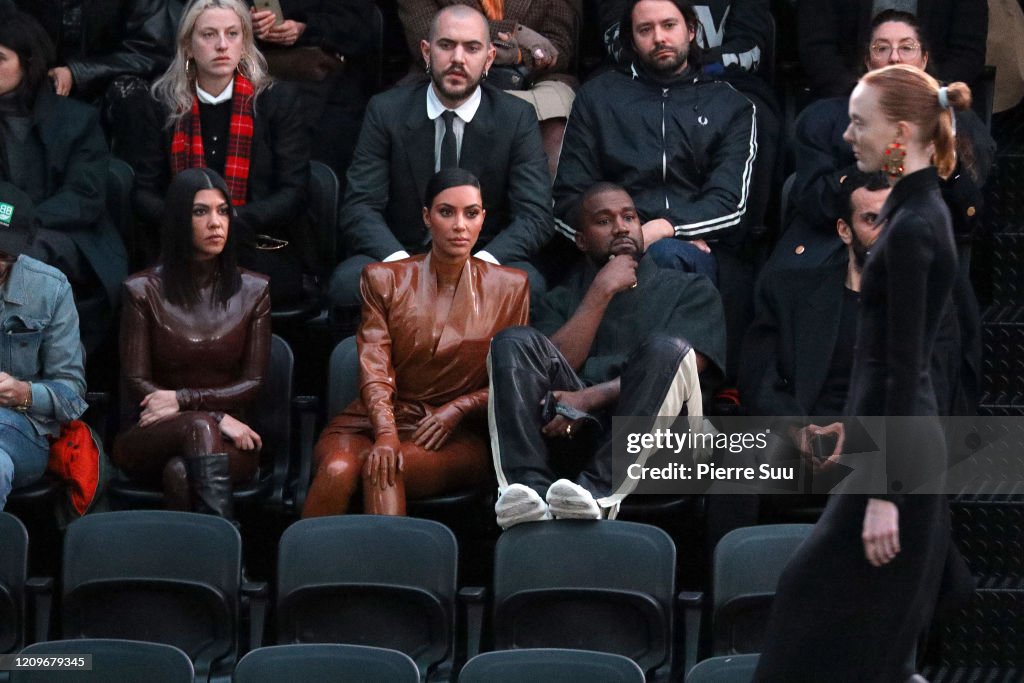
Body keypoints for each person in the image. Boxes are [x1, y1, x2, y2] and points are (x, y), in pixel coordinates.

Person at [753, 65, 970, 682]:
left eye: (859, 122)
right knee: (851, 628)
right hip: (894, 455)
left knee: (833, 618)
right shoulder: (918, 212)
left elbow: (901, 370)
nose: (848, 136)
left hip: (894, 461)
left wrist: (882, 495)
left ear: (900, 133)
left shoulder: (913, 227)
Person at [489, 182, 726, 528]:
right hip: (573, 436)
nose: (621, 227)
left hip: (662, 444)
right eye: (604, 221)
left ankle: (599, 494)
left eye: (629, 217)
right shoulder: (559, 299)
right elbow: (555, 363)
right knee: (512, 341)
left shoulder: (691, 289)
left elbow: (685, 367)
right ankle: (528, 492)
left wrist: (587, 398)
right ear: (581, 240)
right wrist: (600, 292)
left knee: (667, 349)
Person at [304, 169, 530, 518]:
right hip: (371, 420)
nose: (459, 225)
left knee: (386, 468)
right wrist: (385, 434)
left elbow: (513, 378)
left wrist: (460, 407)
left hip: (455, 432)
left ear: (483, 218)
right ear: (426, 217)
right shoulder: (384, 278)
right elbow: (375, 366)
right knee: (337, 468)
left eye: (471, 213)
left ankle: (388, 571)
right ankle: (306, 570)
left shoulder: (511, 286)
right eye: (446, 212)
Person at [553, 0, 759, 378]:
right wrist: (619, 240)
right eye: (645, 29)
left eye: (669, 25)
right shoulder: (599, 98)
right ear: (631, 37)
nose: (659, 37)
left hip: (697, 249)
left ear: (692, 30)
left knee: (664, 257)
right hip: (604, 247)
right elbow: (568, 198)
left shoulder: (730, 103)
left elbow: (730, 203)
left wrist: (665, 229)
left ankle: (622, 387)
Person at [328, 4, 552, 334]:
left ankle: (495, 382)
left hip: (482, 257)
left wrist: (478, 267)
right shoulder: (386, 110)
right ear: (426, 52)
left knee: (529, 283)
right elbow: (360, 207)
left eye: (472, 48)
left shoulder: (516, 118)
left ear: (489, 59)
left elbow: (535, 216)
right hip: (404, 255)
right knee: (348, 281)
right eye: (446, 45)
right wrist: (404, 268)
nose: (458, 58)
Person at [127, 0, 312, 308]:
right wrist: (190, 221)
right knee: (158, 290)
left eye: (232, 33)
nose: (222, 45)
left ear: (245, 43)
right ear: (188, 45)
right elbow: (143, 193)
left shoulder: (276, 101)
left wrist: (230, 221)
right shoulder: (160, 103)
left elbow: (294, 191)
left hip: (255, 241)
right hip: (179, 245)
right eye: (209, 35)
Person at [113, 168, 271, 518]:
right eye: (201, 211)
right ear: (177, 220)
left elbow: (254, 382)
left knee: (181, 473)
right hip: (151, 431)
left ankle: (202, 565)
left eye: (223, 210)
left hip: (232, 438)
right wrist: (213, 414)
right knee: (198, 426)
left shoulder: (254, 290)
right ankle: (230, 561)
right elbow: (136, 381)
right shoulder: (142, 290)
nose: (216, 223)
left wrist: (185, 400)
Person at [0, 6, 127, 355]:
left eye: (0, 58)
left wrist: (23, 222)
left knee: (24, 255)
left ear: (28, 61)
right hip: (4, 228)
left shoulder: (77, 119)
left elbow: (84, 198)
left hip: (71, 236)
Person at [396, 0, 579, 177]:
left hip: (531, 80)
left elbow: (558, 48)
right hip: (444, 77)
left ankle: (542, 204)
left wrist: (518, 55)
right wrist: (518, 33)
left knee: (556, 115)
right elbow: (429, 36)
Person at [0, 183, 88, 510]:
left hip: (22, 428)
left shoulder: (49, 288)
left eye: (4, 255)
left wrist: (23, 393)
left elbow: (73, 395)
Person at [248, 0, 379, 182]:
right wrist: (249, 22)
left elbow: (360, 29)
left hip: (328, 78)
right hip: (259, 74)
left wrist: (305, 29)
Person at [797, 0, 988, 99]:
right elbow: (817, 47)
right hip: (847, 100)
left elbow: (968, 52)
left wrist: (929, 94)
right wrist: (855, 93)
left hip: (933, 101)